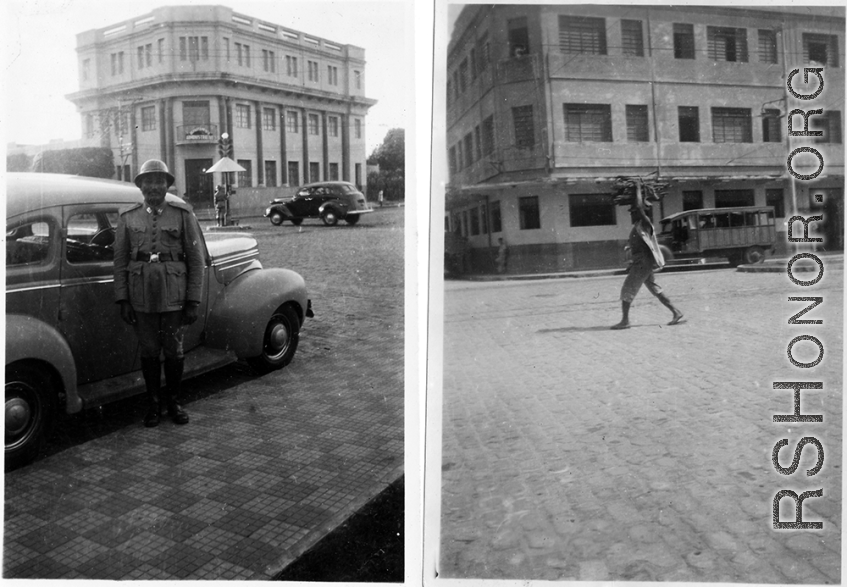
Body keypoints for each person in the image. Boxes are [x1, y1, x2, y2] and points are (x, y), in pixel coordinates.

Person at [114, 159, 206, 427]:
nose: (153, 186)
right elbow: (119, 262)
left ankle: (174, 402)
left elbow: (196, 260)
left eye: (159, 181)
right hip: (140, 296)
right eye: (148, 181)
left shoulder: (182, 214)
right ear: (140, 186)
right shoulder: (128, 217)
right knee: (149, 351)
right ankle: (153, 404)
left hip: (174, 296)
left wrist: (192, 300)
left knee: (174, 351)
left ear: (167, 185)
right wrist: (123, 299)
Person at [611, 188, 684, 330]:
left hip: (642, 265)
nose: (631, 214)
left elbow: (639, 207)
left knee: (627, 290)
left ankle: (625, 321)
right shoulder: (638, 227)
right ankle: (676, 312)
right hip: (642, 264)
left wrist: (638, 187)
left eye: (633, 212)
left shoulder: (645, 223)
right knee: (655, 289)